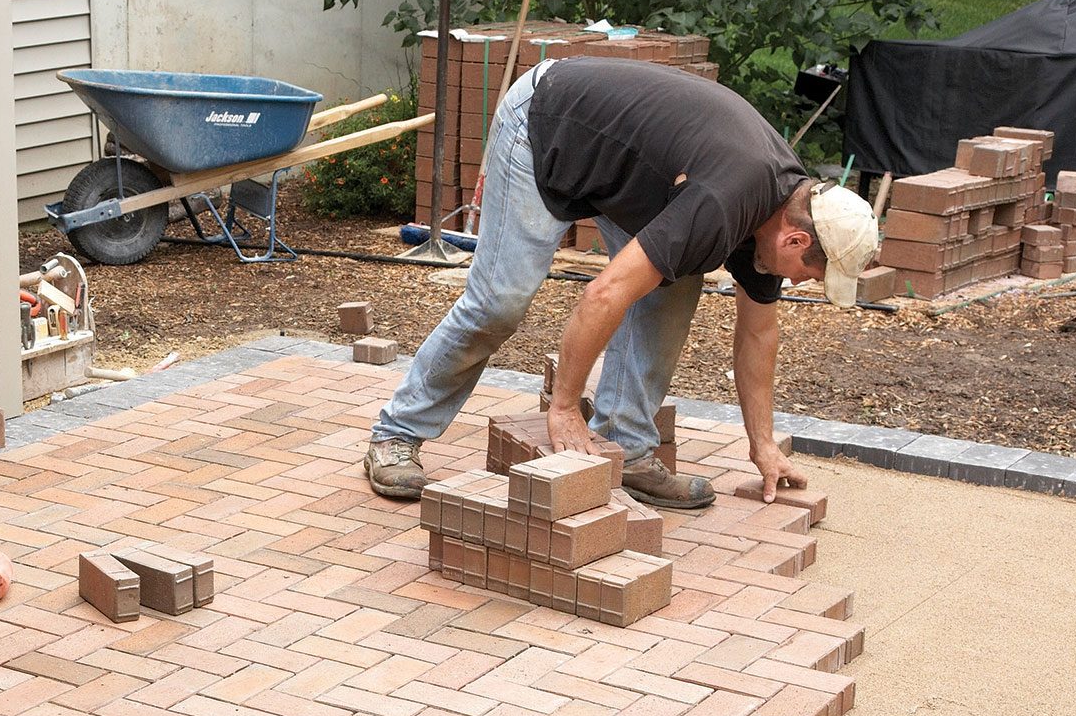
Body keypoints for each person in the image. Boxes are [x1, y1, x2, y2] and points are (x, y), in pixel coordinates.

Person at [364, 56, 878, 509]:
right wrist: (564, 408)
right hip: (548, 125)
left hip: (627, 165)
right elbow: (603, 294)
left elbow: (759, 333)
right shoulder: (726, 201)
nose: (804, 284)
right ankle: (397, 433)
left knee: (673, 284)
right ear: (795, 242)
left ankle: (627, 447)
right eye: (813, 274)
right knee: (501, 301)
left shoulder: (780, 208)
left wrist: (762, 444)